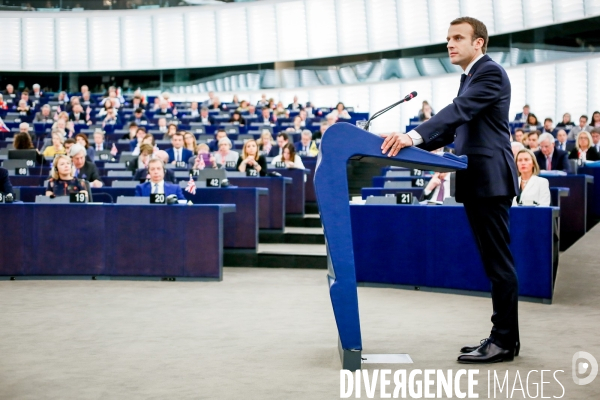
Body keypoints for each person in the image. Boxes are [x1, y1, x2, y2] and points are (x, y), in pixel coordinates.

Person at [380, 17, 519, 363]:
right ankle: (505, 338)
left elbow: (458, 111)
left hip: (490, 181)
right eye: (448, 38)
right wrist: (405, 144)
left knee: (498, 265)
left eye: (458, 37)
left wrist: (412, 136)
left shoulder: (490, 73)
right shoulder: (470, 78)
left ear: (479, 43)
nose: (450, 44)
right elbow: (448, 133)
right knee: (493, 264)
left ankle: (503, 341)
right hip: (478, 181)